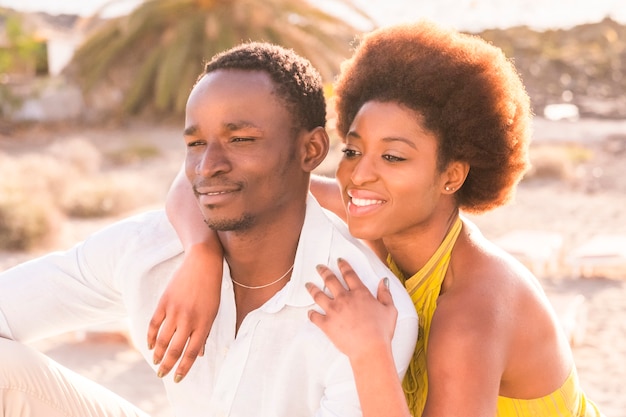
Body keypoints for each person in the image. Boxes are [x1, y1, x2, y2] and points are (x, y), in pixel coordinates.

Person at [152, 21, 605, 417]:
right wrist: (201, 254)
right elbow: (207, 182)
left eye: (392, 156)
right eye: (352, 150)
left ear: (451, 176)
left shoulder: (474, 309)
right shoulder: (383, 221)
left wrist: (369, 351)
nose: (358, 175)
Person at [0, 42, 419, 417]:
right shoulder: (151, 250)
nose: (208, 165)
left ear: (310, 150)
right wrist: (202, 252)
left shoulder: (367, 310)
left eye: (241, 140)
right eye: (196, 143)